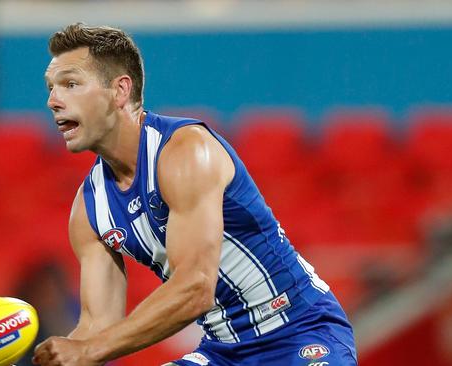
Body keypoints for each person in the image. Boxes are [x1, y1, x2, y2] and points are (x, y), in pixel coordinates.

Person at [33, 23, 357, 366]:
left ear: (120, 91)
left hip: (301, 332)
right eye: (51, 88)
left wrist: (88, 350)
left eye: (70, 84)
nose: (53, 101)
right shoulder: (88, 209)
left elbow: (196, 288)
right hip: (221, 352)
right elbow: (98, 327)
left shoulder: (186, 151)